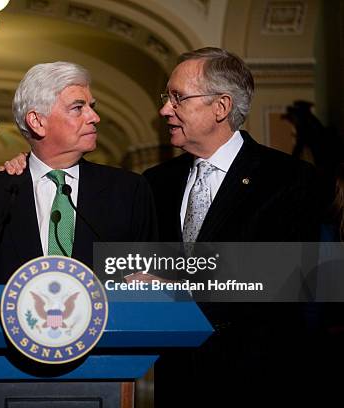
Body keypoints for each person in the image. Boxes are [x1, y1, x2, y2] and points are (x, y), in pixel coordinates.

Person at [143, 47, 320, 406]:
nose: (164, 110)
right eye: (166, 98)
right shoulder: (155, 182)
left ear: (220, 107)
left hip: (257, 383)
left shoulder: (289, 179)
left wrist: (175, 289)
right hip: (178, 383)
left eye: (177, 98)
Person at [0, 61, 157, 284]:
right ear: (37, 122)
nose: (94, 117)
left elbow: (150, 285)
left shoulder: (128, 190)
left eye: (91, 106)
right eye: (78, 108)